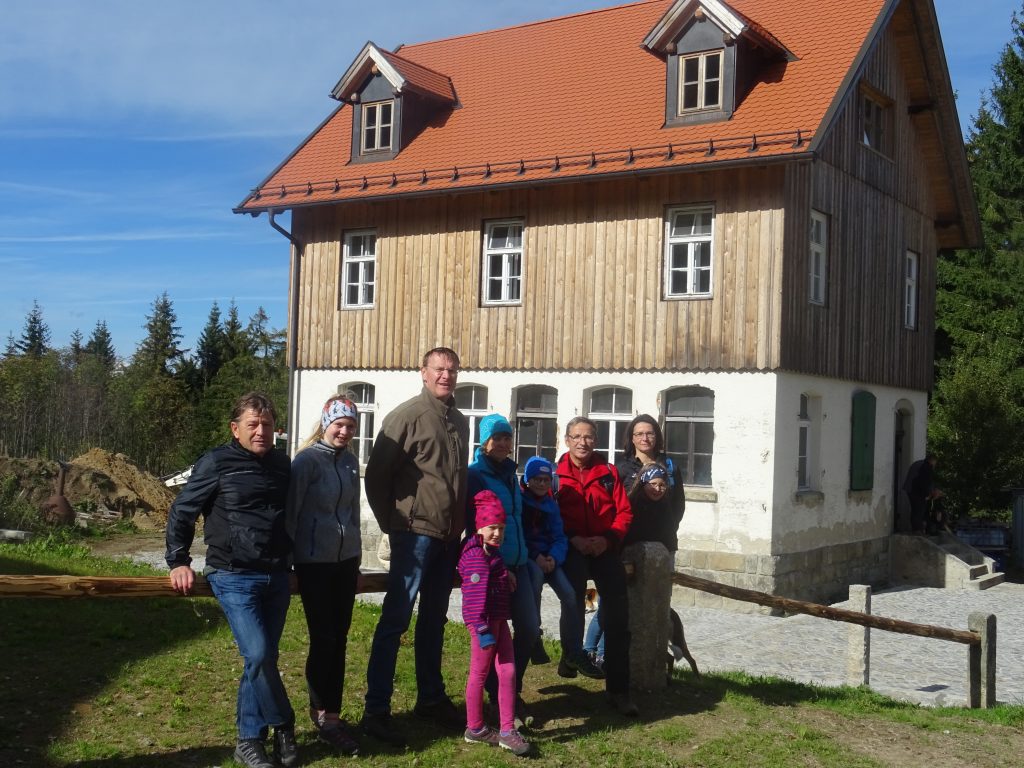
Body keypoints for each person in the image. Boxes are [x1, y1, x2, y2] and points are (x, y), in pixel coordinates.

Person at [165, 392, 297, 768]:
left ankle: (248, 740)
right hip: (233, 574)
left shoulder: (281, 465)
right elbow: (182, 511)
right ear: (235, 428)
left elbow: (290, 516)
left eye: (267, 425)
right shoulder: (216, 462)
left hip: (275, 575)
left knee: (263, 660)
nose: (261, 431)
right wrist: (178, 560)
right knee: (256, 654)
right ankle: (284, 723)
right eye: (253, 425)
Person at [360, 347, 470, 745]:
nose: (447, 375)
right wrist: (393, 522)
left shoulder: (458, 420)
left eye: (452, 370)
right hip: (414, 535)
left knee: (433, 622)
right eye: (439, 369)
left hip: (446, 540)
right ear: (423, 372)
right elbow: (377, 476)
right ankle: (376, 709)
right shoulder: (407, 416)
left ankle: (431, 698)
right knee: (395, 621)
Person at [286, 395, 362, 756]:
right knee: (324, 637)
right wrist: (288, 562)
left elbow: (351, 513)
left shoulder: (350, 463)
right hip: (314, 562)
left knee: (341, 638)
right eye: (340, 424)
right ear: (325, 423)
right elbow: (292, 513)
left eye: (350, 426)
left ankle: (333, 713)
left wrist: (357, 555)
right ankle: (320, 713)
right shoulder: (306, 462)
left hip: (345, 562)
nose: (345, 431)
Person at [586, 415, 686, 667]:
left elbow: (679, 504)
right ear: (631, 438)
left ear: (657, 437)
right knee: (617, 599)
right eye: (639, 434)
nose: (645, 438)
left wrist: (668, 526)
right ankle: (594, 651)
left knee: (658, 601)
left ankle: (647, 658)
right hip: (627, 544)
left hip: (662, 545)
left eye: (650, 433)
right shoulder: (621, 468)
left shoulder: (670, 466)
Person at [555, 416, 638, 716]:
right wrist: (572, 538)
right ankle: (571, 654)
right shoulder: (554, 474)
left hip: (604, 547)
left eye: (588, 437)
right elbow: (548, 513)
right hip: (571, 546)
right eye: (576, 437)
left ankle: (619, 690)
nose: (582, 442)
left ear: (596, 441)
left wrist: (607, 539)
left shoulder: (608, 473)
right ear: (566, 440)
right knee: (573, 598)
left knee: (617, 614)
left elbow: (624, 513)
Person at [466, 413, 543, 726]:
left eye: (506, 437)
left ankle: (512, 689)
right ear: (484, 441)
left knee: (528, 627)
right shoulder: (475, 475)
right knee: (494, 635)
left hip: (520, 562)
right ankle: (498, 695)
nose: (502, 443)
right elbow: (474, 523)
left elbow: (517, 518)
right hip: (493, 567)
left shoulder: (512, 474)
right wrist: (491, 562)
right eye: (496, 437)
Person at [458, 490, 531, 756]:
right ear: (479, 527)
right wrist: (481, 630)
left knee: (508, 671)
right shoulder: (477, 557)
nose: (498, 534)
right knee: (479, 673)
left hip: (498, 621)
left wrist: (505, 573)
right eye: (492, 528)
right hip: (485, 626)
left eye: (501, 528)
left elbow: (496, 569)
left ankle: (507, 729)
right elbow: (475, 600)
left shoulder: (492, 553)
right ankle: (475, 726)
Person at [519, 455, 596, 677]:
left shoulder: (551, 505)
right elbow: (521, 535)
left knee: (571, 595)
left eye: (545, 480)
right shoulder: (521, 501)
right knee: (533, 583)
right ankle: (535, 635)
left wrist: (554, 558)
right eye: (536, 479)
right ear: (527, 480)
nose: (541, 484)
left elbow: (559, 537)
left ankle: (572, 649)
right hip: (531, 559)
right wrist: (536, 557)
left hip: (551, 559)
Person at [903, 453, 941, 535]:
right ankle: (917, 530)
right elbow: (924, 482)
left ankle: (918, 529)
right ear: (932, 460)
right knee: (919, 509)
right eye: (935, 462)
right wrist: (928, 494)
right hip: (915, 490)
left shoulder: (920, 463)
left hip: (911, 489)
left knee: (916, 509)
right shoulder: (926, 467)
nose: (935, 465)